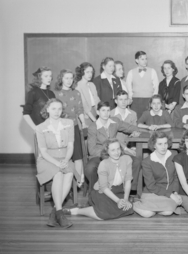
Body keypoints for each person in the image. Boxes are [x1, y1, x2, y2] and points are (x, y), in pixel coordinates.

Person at [35, 98, 81, 228]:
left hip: (65, 157)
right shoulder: (40, 128)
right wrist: (57, 163)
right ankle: (60, 214)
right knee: (58, 174)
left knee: (69, 174)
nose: (57, 112)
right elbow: (43, 152)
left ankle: (55, 211)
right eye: (53, 108)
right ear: (47, 109)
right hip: (47, 159)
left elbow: (71, 146)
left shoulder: (69, 123)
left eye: (59, 109)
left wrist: (66, 160)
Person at [62, 138, 134, 220]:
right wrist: (118, 201)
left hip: (118, 191)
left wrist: (125, 199)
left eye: (118, 149)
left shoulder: (127, 159)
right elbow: (104, 188)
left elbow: (128, 181)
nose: (117, 152)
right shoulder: (103, 164)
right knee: (103, 214)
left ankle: (102, 208)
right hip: (102, 192)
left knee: (129, 208)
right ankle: (77, 211)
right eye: (113, 150)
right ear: (107, 151)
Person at [85, 101, 141, 195]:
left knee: (136, 161)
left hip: (116, 153)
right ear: (98, 112)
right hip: (99, 155)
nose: (106, 113)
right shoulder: (93, 127)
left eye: (108, 110)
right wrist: (108, 154)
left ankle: (129, 190)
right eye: (103, 110)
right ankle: (94, 194)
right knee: (90, 168)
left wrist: (135, 131)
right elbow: (92, 150)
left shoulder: (115, 121)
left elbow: (131, 127)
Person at [133, 132, 182, 217]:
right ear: (154, 145)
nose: (163, 147)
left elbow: (176, 177)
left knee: (168, 212)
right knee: (147, 214)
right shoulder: (146, 162)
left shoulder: (174, 154)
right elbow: (151, 186)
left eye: (165, 143)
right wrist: (170, 195)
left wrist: (175, 192)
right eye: (160, 144)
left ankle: (153, 208)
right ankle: (136, 205)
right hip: (152, 192)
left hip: (169, 192)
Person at [53, 69, 87, 186]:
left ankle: (78, 179)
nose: (69, 80)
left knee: (78, 155)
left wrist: (83, 123)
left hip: (74, 126)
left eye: (71, 78)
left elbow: (79, 110)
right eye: (66, 78)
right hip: (60, 129)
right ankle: (62, 180)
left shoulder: (76, 93)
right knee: (63, 155)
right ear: (61, 79)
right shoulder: (55, 93)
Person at [126, 51, 159, 119]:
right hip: (135, 102)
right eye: (142, 59)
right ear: (137, 60)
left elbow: (156, 88)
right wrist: (130, 98)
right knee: (136, 120)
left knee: (149, 120)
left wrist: (153, 100)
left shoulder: (152, 71)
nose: (145, 61)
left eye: (146, 59)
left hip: (149, 100)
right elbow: (129, 88)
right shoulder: (131, 72)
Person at [23, 66, 56, 131]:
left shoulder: (51, 93)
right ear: (39, 77)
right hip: (40, 130)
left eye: (50, 76)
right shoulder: (33, 93)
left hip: (52, 129)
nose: (49, 78)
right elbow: (26, 114)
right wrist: (35, 128)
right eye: (46, 76)